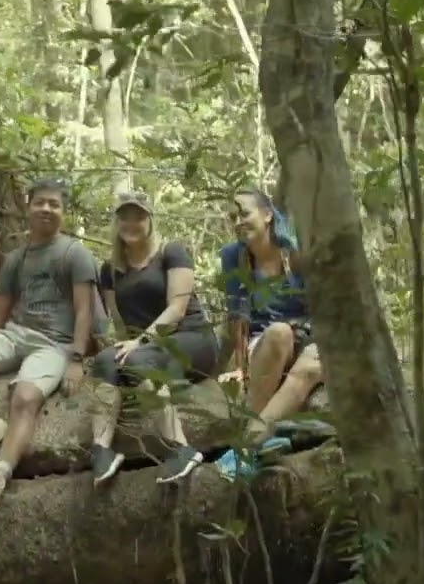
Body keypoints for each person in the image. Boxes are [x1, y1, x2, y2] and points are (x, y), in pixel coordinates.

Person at [0, 177, 100, 514]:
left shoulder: (75, 254)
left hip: (54, 345)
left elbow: (84, 310)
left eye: (54, 204)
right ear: (28, 207)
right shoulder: (17, 258)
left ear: (63, 212)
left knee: (25, 397)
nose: (46, 208)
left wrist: (76, 358)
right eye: (40, 202)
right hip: (16, 335)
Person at [88, 190, 219, 485]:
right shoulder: (109, 270)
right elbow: (119, 322)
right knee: (105, 362)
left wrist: (140, 343)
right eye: (125, 217)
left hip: (190, 337)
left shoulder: (170, 252)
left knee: (138, 359)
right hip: (145, 345)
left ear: (150, 220)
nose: (131, 223)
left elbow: (178, 307)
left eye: (139, 217)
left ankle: (181, 448)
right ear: (117, 222)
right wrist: (119, 354)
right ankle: (102, 451)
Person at [215, 188, 322, 480]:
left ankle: (247, 447)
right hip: (266, 340)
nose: (238, 221)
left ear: (267, 214)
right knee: (278, 333)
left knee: (312, 366)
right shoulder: (232, 257)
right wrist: (239, 367)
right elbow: (237, 315)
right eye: (234, 216)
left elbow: (322, 304)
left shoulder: (297, 251)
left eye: (244, 213)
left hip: (309, 334)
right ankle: (259, 443)